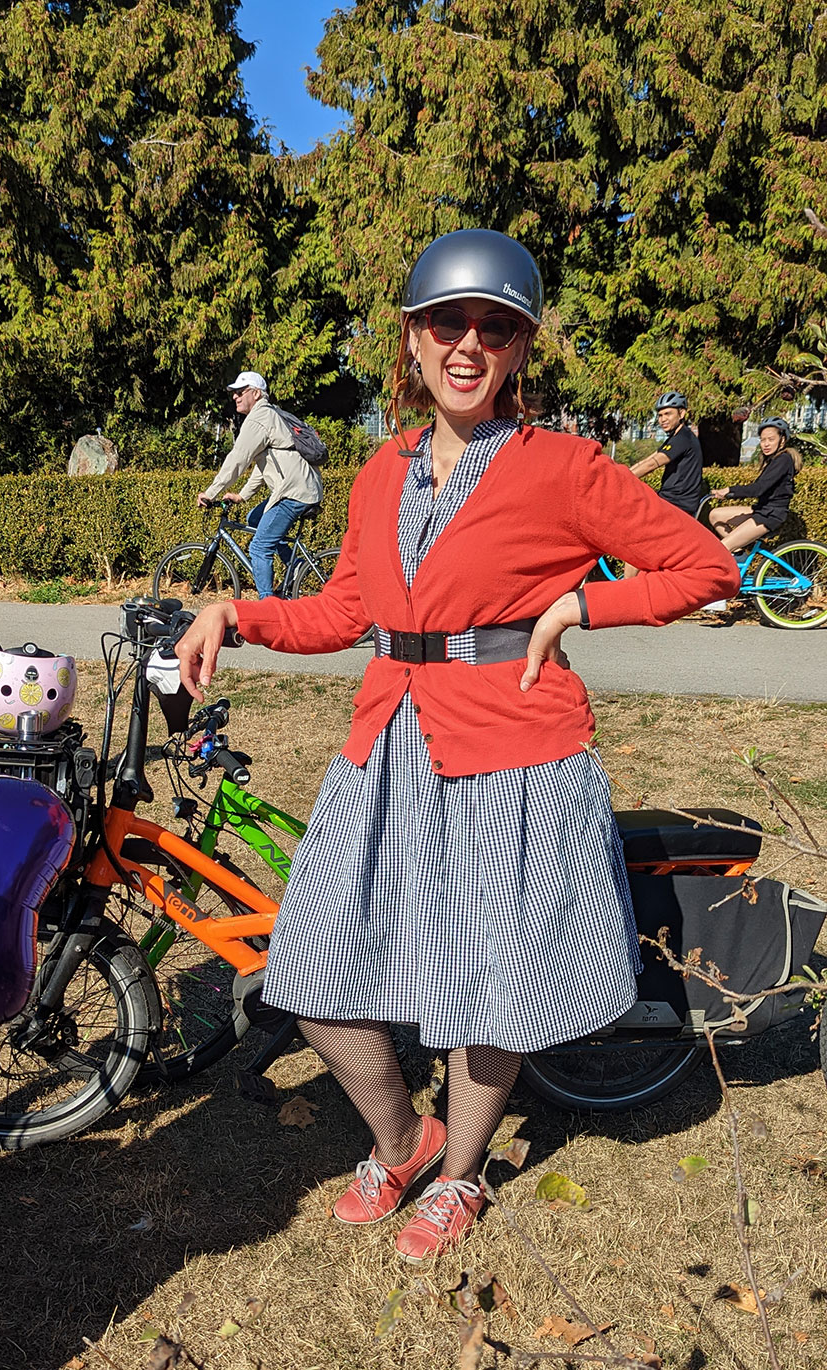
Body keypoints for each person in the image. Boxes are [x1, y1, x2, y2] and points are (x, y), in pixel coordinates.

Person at [176, 230, 739, 1262]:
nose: (467, 342)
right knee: (307, 962)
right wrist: (238, 613)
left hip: (518, 749)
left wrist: (581, 602)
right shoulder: (379, 475)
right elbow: (347, 609)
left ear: (520, 347)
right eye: (447, 322)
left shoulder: (565, 465)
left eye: (495, 325)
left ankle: (460, 1172)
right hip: (387, 740)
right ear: (414, 338)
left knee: (496, 975)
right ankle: (403, 1136)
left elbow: (706, 568)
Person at [198, 371, 323, 598]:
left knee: (259, 547)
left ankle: (268, 605)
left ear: (255, 394)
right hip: (301, 487)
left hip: (294, 492)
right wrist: (243, 496)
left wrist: (211, 492)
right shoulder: (268, 415)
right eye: (233, 393)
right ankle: (294, 565)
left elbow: (238, 459)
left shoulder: (259, 418)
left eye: (240, 392)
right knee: (254, 519)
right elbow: (262, 465)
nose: (235, 397)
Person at [623, 392, 704, 577]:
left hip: (677, 505)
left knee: (635, 543)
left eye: (668, 414)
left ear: (681, 414)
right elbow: (650, 458)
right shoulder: (676, 438)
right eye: (660, 415)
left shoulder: (684, 437)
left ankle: (626, 590)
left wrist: (622, 478)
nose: (662, 419)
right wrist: (623, 472)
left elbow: (654, 463)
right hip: (668, 500)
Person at [708, 417, 802, 553]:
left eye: (771, 439)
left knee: (722, 549)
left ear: (782, 440)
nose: (766, 444)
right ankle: (739, 553)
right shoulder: (772, 460)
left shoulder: (783, 460)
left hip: (770, 515)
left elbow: (758, 489)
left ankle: (731, 555)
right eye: (763, 440)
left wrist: (729, 491)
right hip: (761, 509)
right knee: (715, 515)